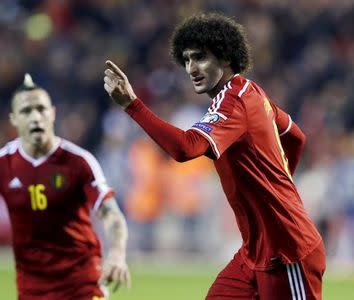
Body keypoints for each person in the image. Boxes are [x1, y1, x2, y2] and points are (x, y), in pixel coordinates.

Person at [104, 12, 325, 300]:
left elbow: (186, 148)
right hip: (255, 251)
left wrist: (132, 105)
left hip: (288, 252)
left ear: (225, 58)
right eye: (186, 60)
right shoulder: (252, 92)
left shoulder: (233, 101)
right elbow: (295, 136)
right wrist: (278, 187)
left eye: (200, 57)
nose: (191, 67)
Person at [0, 74, 130, 300]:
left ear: (53, 113)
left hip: (82, 284)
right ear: (14, 119)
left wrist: (117, 253)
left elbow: (111, 214)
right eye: (26, 111)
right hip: (32, 290)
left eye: (41, 109)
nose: (35, 117)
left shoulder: (78, 161)